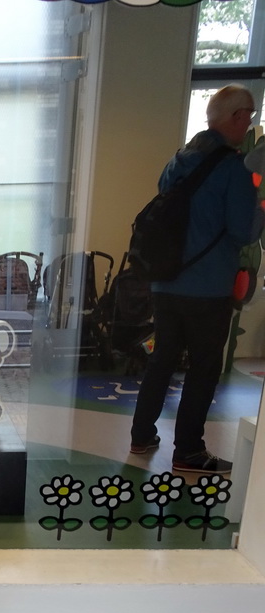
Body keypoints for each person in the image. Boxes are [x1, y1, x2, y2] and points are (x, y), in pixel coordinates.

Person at [130, 84, 263, 475]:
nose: (250, 122)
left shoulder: (178, 160)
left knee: (161, 361)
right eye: (249, 115)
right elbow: (244, 232)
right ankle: (188, 451)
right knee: (204, 368)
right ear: (236, 118)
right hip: (207, 288)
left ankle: (141, 435)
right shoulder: (233, 168)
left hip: (165, 282)